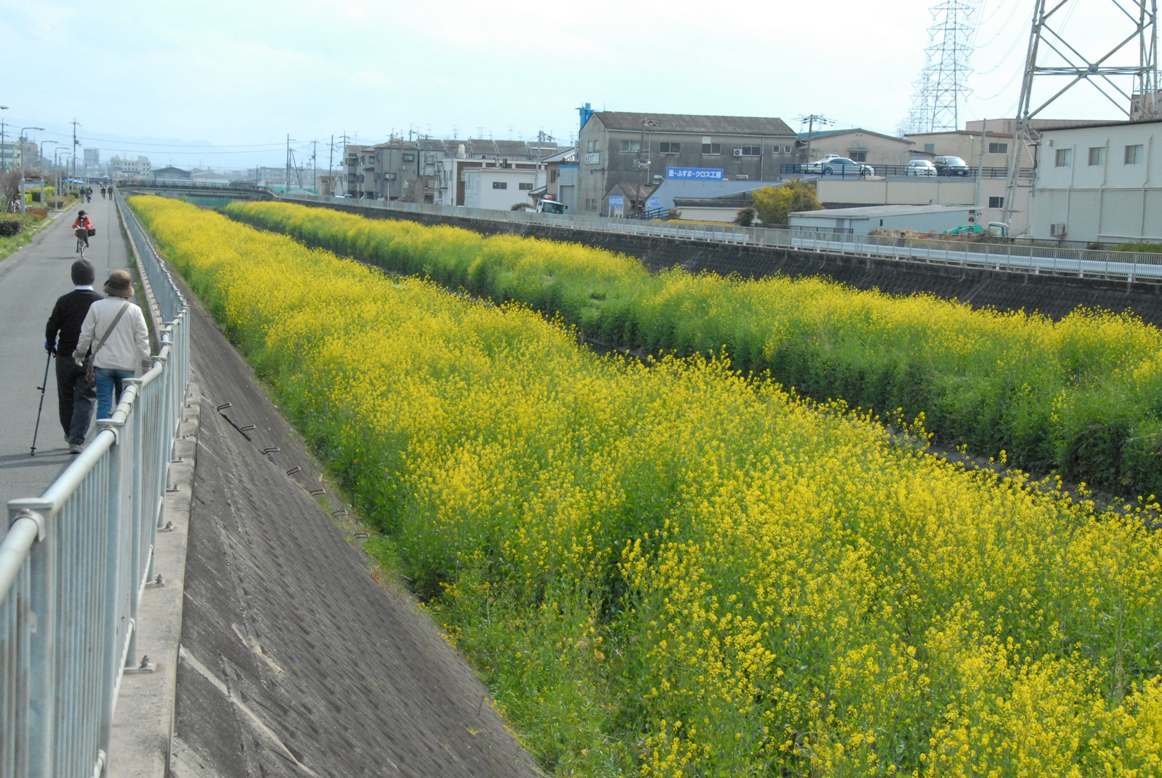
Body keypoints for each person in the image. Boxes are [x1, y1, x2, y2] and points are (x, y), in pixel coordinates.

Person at [74, 270, 150, 420]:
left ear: (109, 287)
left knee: (104, 404)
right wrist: (145, 363)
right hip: (126, 366)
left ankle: (103, 439)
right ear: (127, 290)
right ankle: (122, 441)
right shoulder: (135, 311)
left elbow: (85, 335)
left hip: (103, 365)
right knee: (124, 406)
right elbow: (143, 339)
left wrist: (80, 354)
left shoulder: (96, 307)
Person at [45, 260, 102, 453]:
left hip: (64, 356)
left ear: (73, 278)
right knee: (86, 397)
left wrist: (50, 342)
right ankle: (77, 439)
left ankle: (70, 432)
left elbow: (52, 325)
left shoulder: (64, 301)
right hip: (90, 358)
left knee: (66, 396)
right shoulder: (99, 301)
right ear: (93, 277)